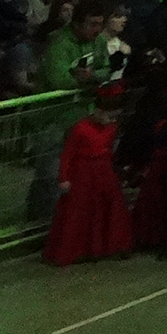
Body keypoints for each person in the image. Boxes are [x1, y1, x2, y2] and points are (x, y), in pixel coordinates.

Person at [44, 81, 133, 265]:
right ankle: (76, 250)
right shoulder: (80, 128)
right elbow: (67, 155)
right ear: (99, 111)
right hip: (83, 174)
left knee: (105, 209)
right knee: (79, 212)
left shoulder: (111, 127)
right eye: (108, 116)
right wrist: (64, 177)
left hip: (103, 171)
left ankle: (104, 247)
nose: (111, 120)